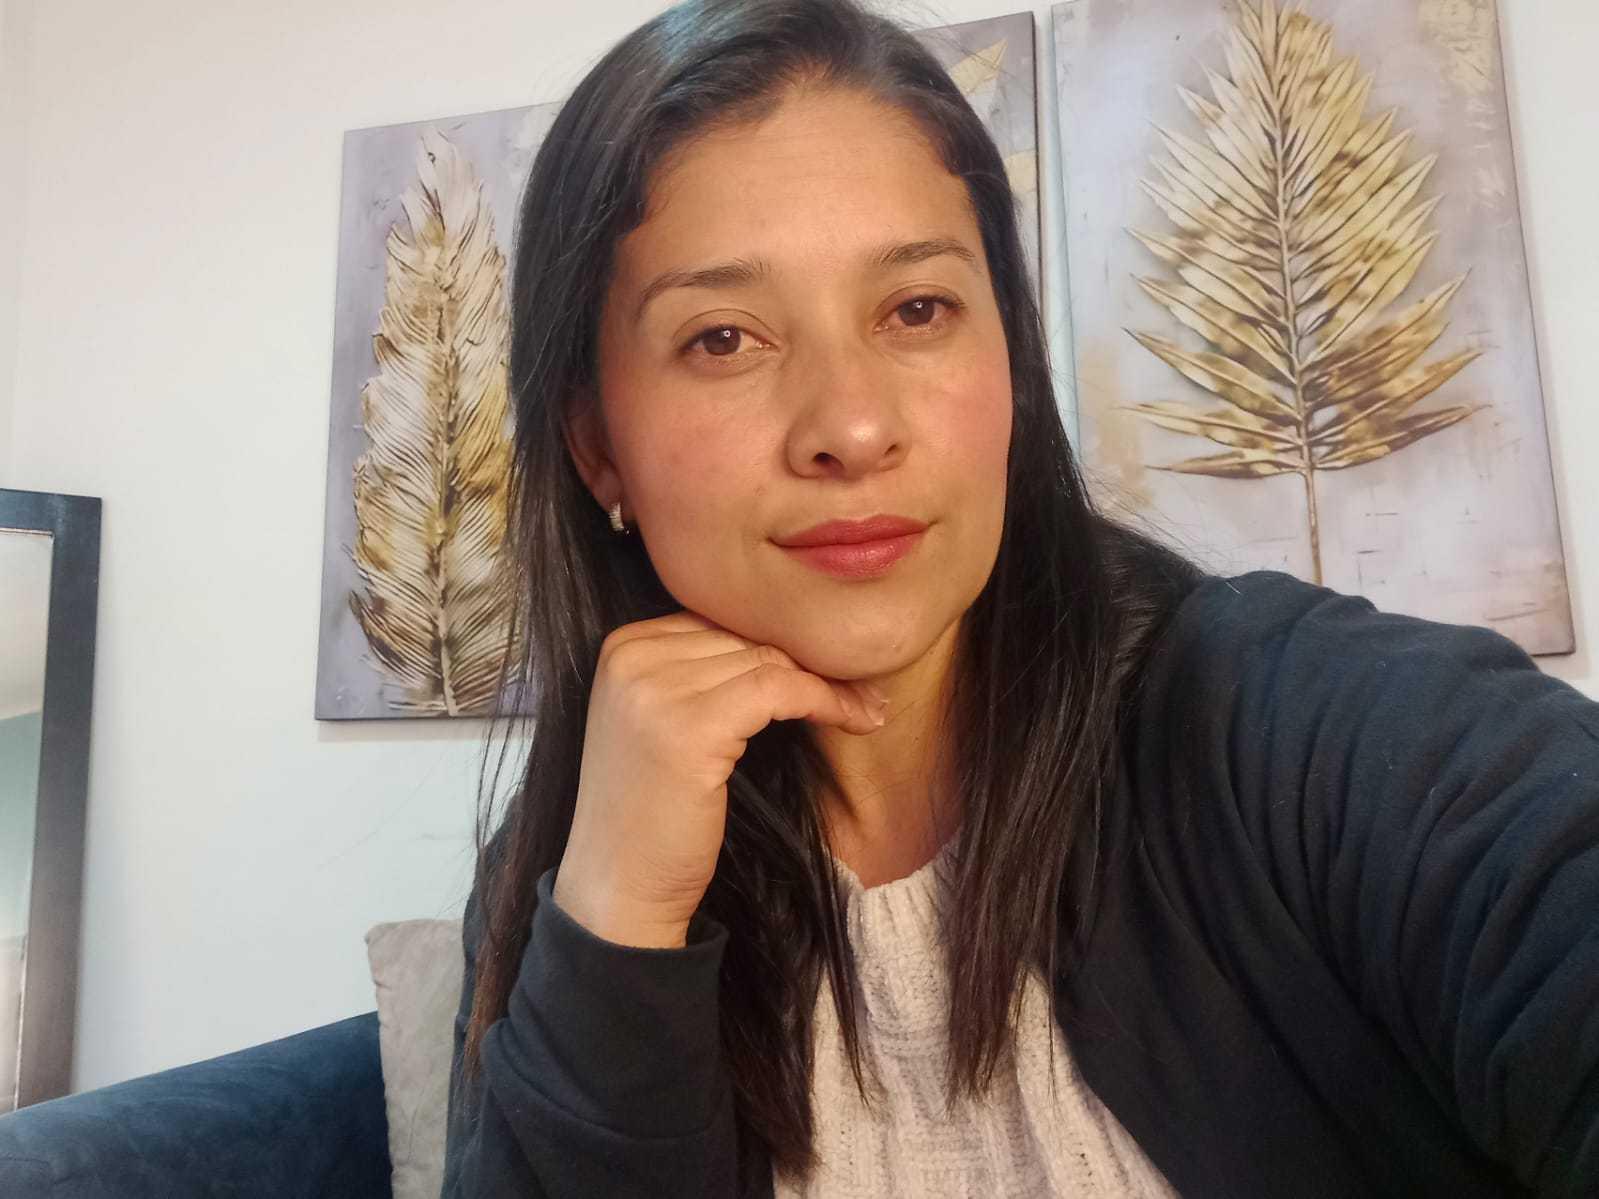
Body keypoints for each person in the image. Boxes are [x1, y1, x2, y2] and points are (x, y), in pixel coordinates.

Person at [440, 0, 1599, 1194]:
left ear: (1010, 355)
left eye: (916, 309)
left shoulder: (1291, 728)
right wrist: (617, 928)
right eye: (725, 337)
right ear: (598, 447)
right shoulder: (577, 855)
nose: (852, 426)